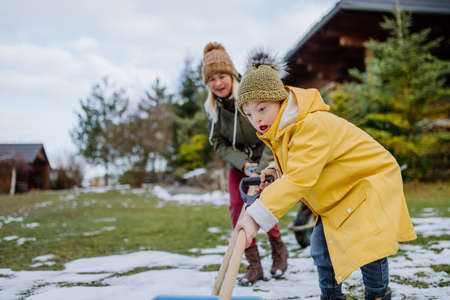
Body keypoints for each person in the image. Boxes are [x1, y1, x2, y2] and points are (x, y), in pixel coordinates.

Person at [235, 50, 417, 300]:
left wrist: (256, 218)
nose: (256, 119)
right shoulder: (284, 130)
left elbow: (300, 177)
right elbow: (297, 162)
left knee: (368, 248)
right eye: (249, 114)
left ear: (279, 100)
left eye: (262, 108)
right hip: (339, 193)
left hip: (367, 182)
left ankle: (377, 295)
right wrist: (274, 171)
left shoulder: (311, 125)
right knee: (321, 250)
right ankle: (331, 297)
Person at [201, 42, 288, 286]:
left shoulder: (248, 96)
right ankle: (254, 266)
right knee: (236, 210)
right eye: (212, 79)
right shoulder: (214, 109)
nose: (218, 83)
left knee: (264, 206)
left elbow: (271, 131)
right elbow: (217, 142)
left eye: (222, 76)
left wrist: (261, 167)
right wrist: (243, 164)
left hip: (266, 160)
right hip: (240, 166)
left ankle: (279, 251)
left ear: (232, 75)